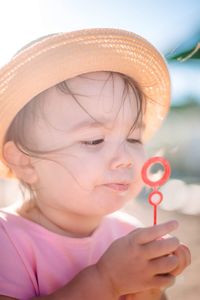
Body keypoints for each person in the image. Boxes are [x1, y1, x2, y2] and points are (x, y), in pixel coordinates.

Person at [0, 28, 191, 300]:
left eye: (134, 138)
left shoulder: (128, 233)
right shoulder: (6, 240)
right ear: (26, 162)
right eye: (94, 140)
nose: (126, 157)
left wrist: (149, 290)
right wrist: (107, 281)